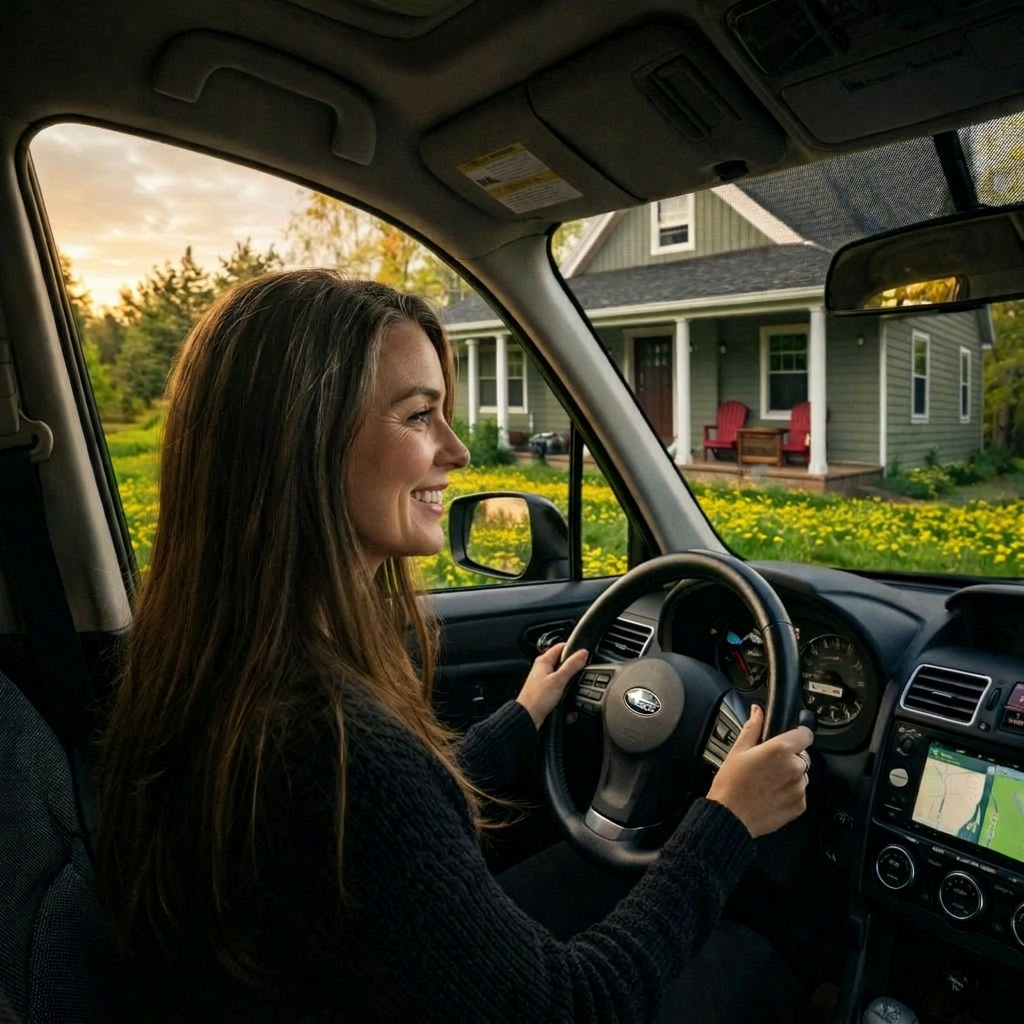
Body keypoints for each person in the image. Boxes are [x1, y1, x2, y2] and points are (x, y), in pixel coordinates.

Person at [95, 270, 815, 1023]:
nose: (457, 450)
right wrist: (727, 820)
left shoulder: (222, 672)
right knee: (750, 963)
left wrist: (524, 718)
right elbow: (572, 1008)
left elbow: (391, 842)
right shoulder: (334, 744)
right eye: (418, 416)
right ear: (301, 442)